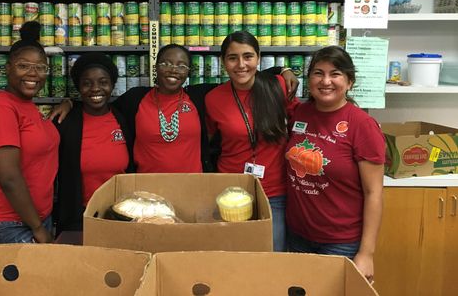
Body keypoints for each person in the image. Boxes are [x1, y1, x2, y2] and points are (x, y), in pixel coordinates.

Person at [52, 43, 298, 174]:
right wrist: (70, 102)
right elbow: (101, 103)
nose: (173, 69)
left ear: (189, 73)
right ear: (156, 67)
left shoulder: (201, 96)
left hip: (193, 188)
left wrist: (282, 70)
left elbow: (243, 76)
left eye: (181, 65)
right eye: (167, 63)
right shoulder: (135, 99)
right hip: (146, 189)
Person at [284, 45, 384, 282]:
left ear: (349, 82)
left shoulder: (362, 125)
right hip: (297, 235)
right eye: (318, 73)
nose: (325, 81)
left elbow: (374, 193)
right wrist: (286, 69)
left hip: (341, 243)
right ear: (309, 80)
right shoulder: (301, 113)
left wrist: (366, 253)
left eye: (335, 74)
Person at [205, 31, 298, 252]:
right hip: (230, 191)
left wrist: (284, 70)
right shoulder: (213, 98)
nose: (241, 65)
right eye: (232, 58)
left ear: (258, 58)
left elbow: (300, 124)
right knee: (233, 257)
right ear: (223, 62)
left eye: (248, 56)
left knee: (272, 256)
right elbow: (209, 142)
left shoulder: (278, 87)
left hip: (274, 192)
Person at [0, 21, 59, 244]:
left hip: (32, 219)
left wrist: (68, 104)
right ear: (8, 68)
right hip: (8, 225)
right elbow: (9, 178)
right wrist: (38, 228)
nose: (33, 73)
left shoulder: (28, 106)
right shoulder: (1, 108)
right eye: (23, 66)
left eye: (40, 67)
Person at [54, 52, 133, 235]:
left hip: (121, 216)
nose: (95, 89)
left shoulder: (123, 117)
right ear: (78, 87)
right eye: (87, 83)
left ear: (112, 85)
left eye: (103, 82)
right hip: (79, 219)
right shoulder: (65, 122)